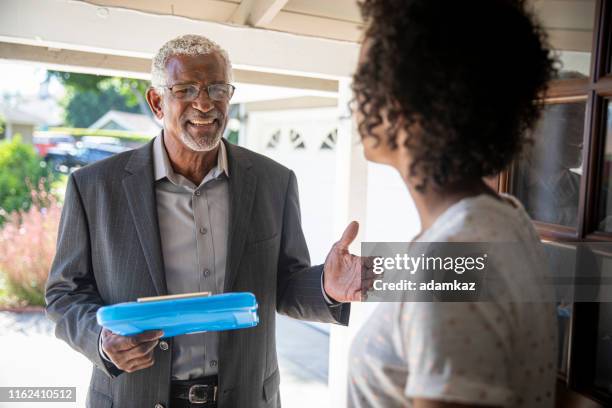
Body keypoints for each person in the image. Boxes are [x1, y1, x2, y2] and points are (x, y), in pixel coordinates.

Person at [45, 34, 363, 408]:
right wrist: (100, 339)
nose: (204, 102)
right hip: (133, 397)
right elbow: (64, 294)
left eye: (216, 88)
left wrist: (326, 285)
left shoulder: (274, 181)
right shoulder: (95, 187)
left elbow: (286, 284)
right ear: (157, 102)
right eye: (185, 89)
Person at [348, 1, 558, 407]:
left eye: (365, 81)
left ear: (406, 105)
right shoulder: (505, 217)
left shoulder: (451, 250)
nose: (356, 100)